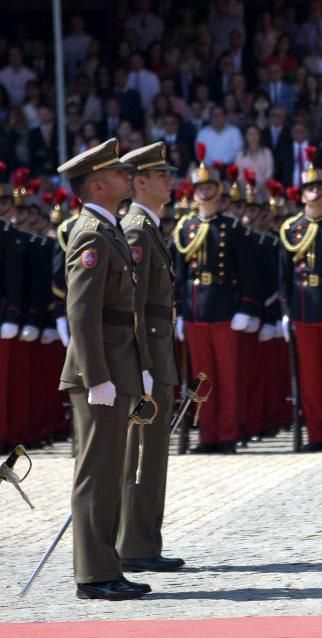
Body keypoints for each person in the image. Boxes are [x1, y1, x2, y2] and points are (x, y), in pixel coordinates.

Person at [56, 139, 151, 600]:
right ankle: (93, 573)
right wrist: (96, 377)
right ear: (97, 184)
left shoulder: (107, 228)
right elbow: (82, 313)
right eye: (118, 172)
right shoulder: (92, 233)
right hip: (101, 370)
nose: (127, 176)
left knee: (111, 468)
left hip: (116, 363)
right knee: (96, 471)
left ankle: (106, 564)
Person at [117, 141, 184, 573]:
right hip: (148, 357)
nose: (169, 181)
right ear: (140, 182)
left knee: (154, 451)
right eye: (161, 175)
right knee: (142, 452)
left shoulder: (150, 226)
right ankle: (135, 545)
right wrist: (140, 364)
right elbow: (134, 306)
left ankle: (145, 541)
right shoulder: (138, 229)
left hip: (159, 353)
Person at [173, 144, 261, 453]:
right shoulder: (185, 228)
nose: (204, 192)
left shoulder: (232, 228)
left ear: (218, 190)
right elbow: (180, 275)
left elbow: (249, 272)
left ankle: (227, 435)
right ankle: (206, 434)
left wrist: (246, 308)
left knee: (227, 376)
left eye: (209, 186)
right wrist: (180, 312)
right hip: (196, 310)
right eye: (200, 187)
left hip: (224, 307)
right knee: (201, 380)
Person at [278, 151, 322, 451]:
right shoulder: (291, 229)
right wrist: (284, 311)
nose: (315, 194)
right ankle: (314, 434)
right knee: (308, 379)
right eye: (310, 189)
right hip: (302, 308)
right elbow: (283, 275)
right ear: (302, 194)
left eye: (320, 189)